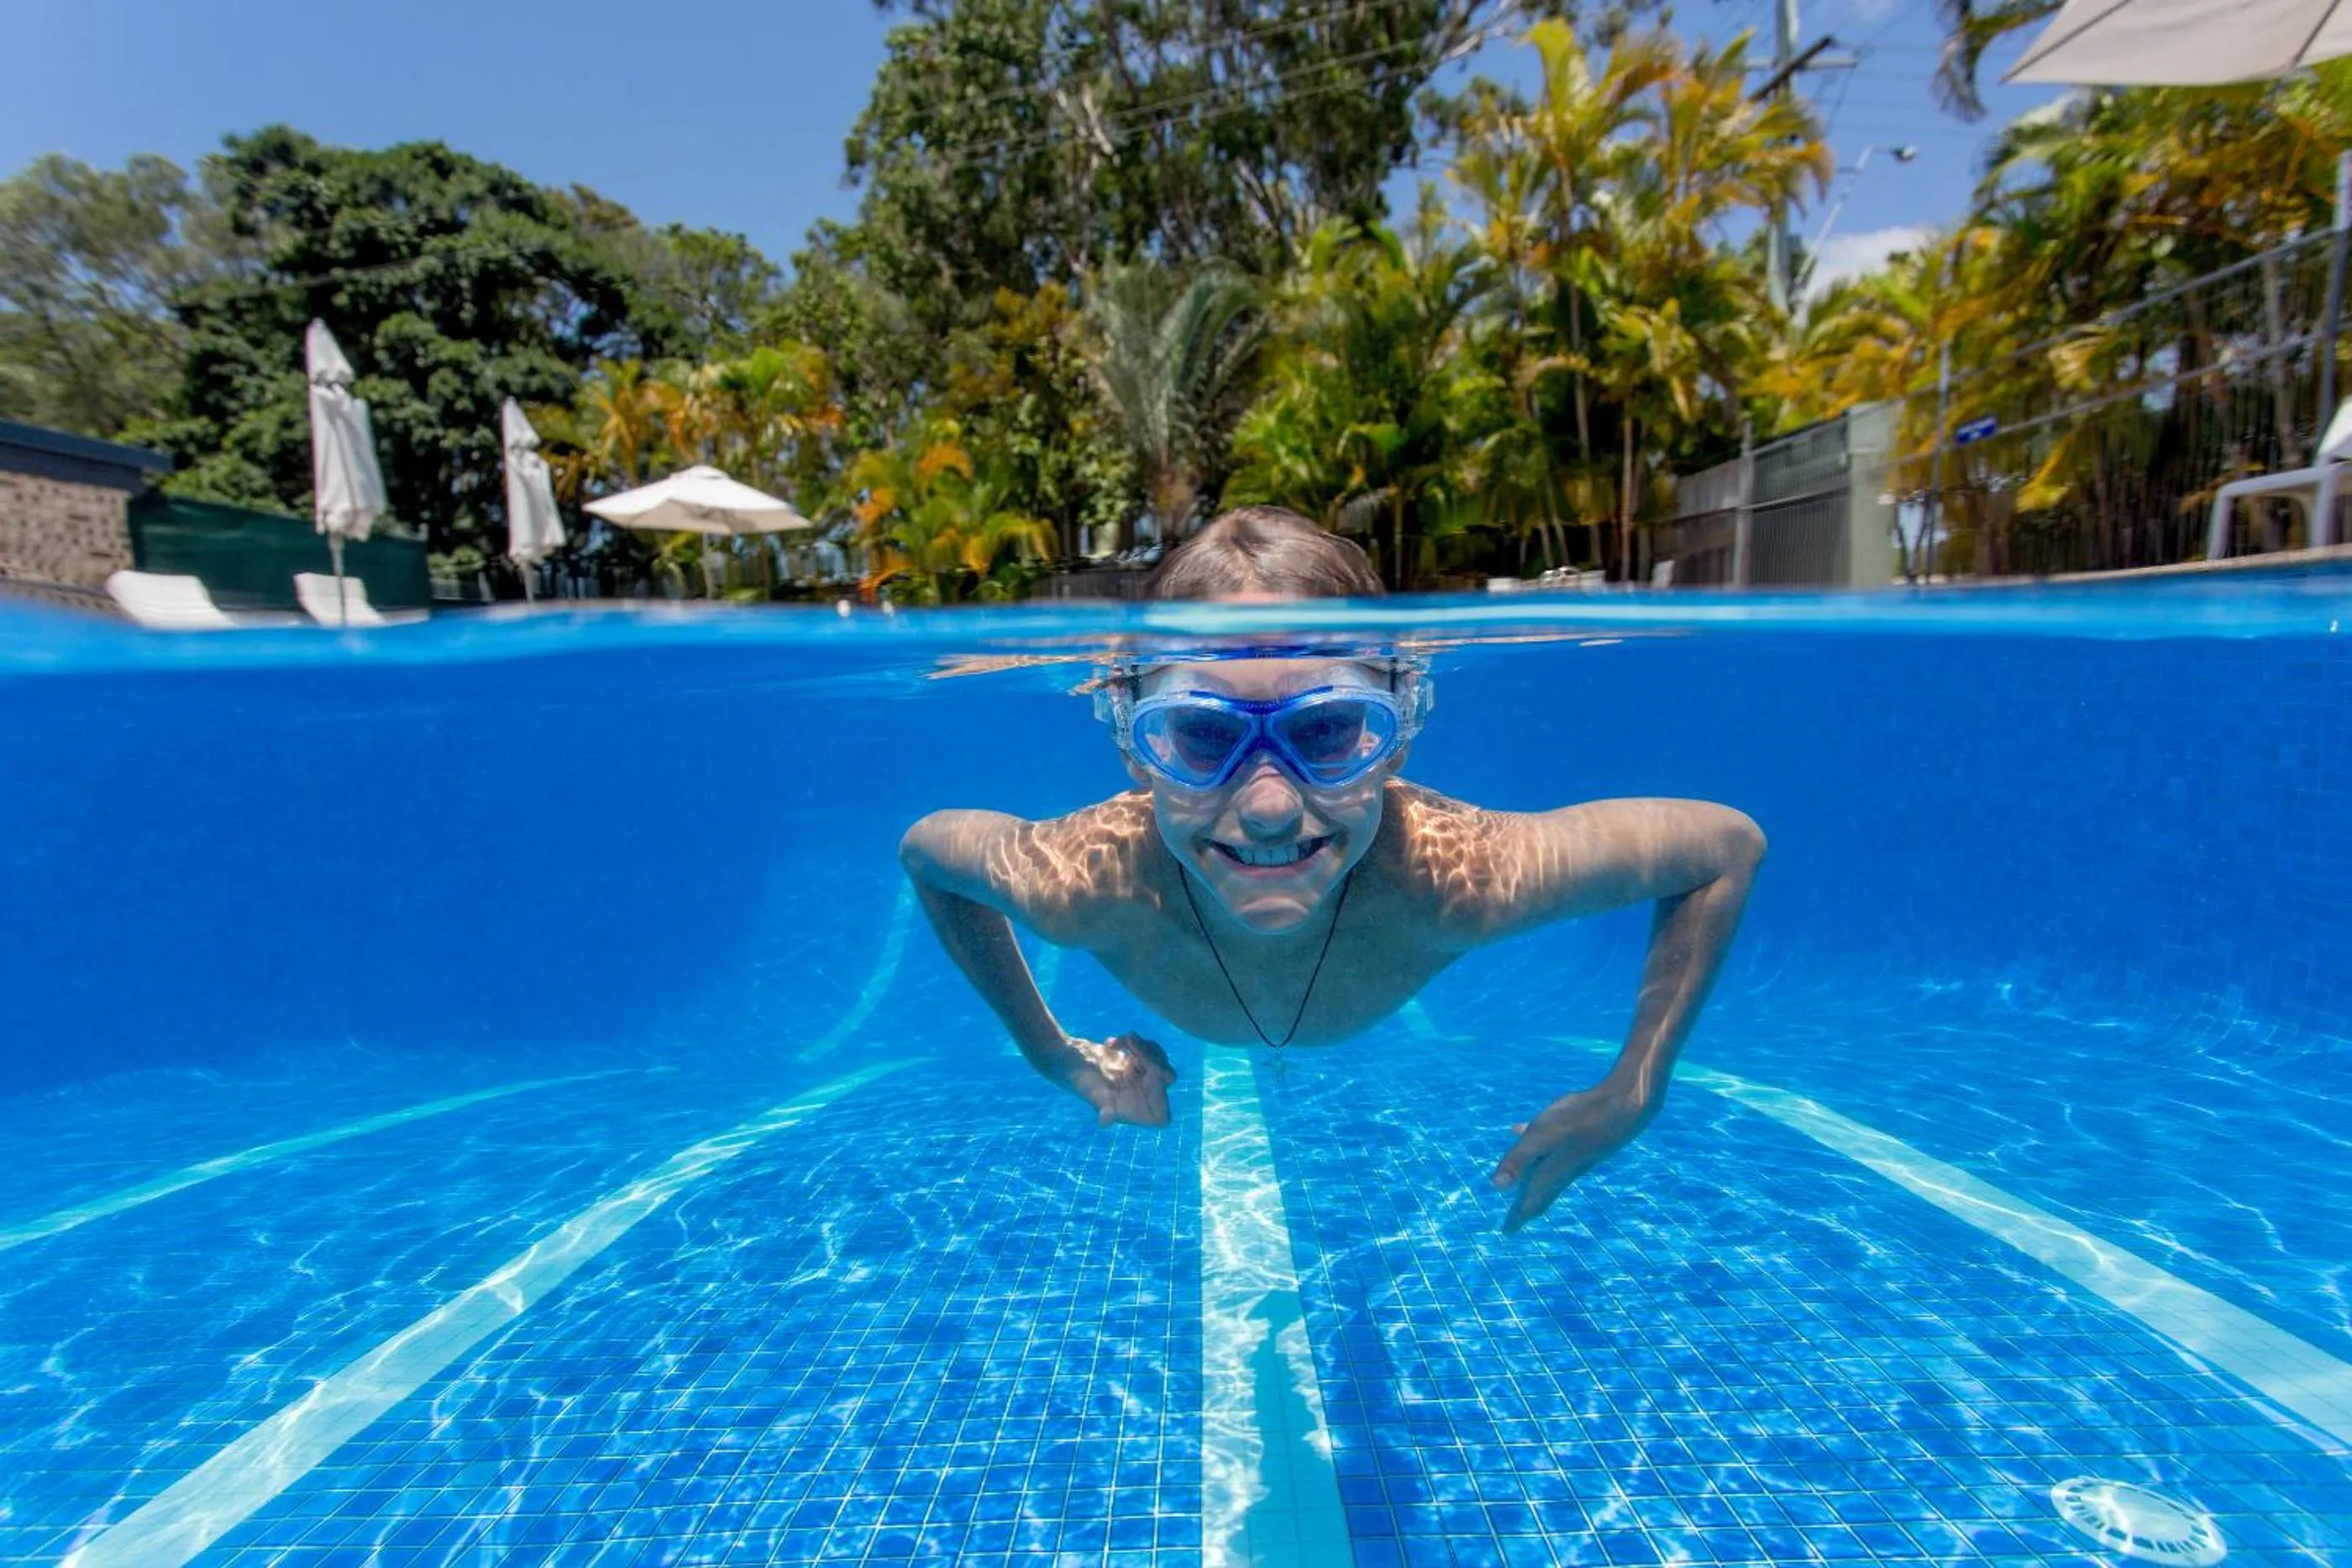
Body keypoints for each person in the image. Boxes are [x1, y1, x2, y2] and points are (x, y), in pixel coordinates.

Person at [899, 506, 1764, 1231]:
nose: (1270, 806)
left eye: (1326, 730)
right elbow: (928, 854)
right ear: (1135, 745)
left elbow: (1723, 847)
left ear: (1398, 734)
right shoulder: (1085, 880)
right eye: (1201, 735)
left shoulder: (1459, 878)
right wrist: (1060, 1060)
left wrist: (1632, 1092)